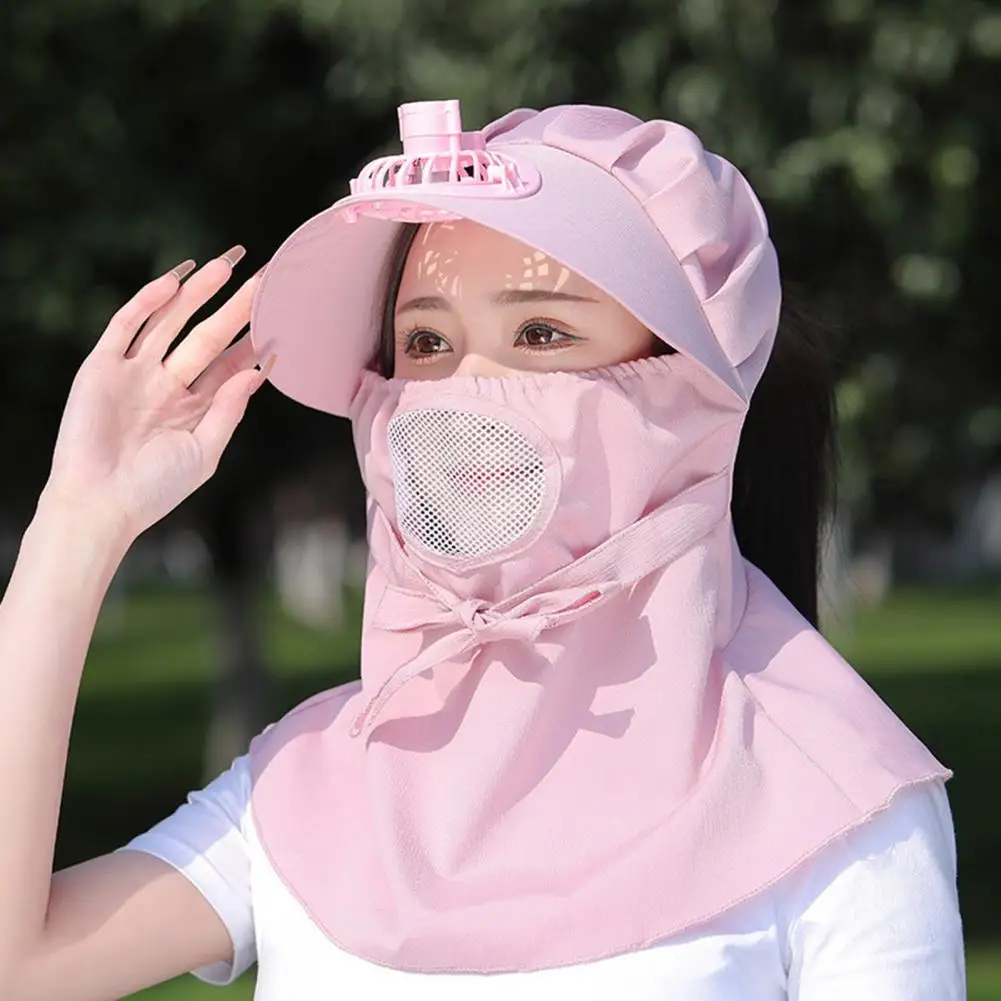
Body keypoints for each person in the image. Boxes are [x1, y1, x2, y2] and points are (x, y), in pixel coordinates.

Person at [0, 100, 965, 1000]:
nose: (464, 390)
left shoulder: (838, 810)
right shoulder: (312, 783)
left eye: (539, 332)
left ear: (689, 389)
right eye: (424, 344)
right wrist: (78, 525)